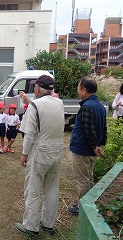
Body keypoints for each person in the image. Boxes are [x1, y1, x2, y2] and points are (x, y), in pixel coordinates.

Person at [15, 75, 64, 238]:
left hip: (40, 150)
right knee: (52, 189)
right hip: (57, 150)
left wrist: (24, 153)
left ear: (37, 88)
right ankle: (48, 223)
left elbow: (29, 134)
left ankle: (31, 226)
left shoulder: (35, 105)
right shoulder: (59, 103)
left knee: (33, 190)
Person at [67, 78, 107, 214]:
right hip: (91, 149)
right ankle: (89, 204)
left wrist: (94, 146)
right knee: (88, 178)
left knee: (82, 180)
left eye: (79, 88)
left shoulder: (86, 107)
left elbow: (89, 129)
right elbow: (103, 127)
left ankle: (84, 209)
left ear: (84, 90)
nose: (78, 91)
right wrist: (100, 145)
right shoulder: (100, 106)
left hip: (83, 149)